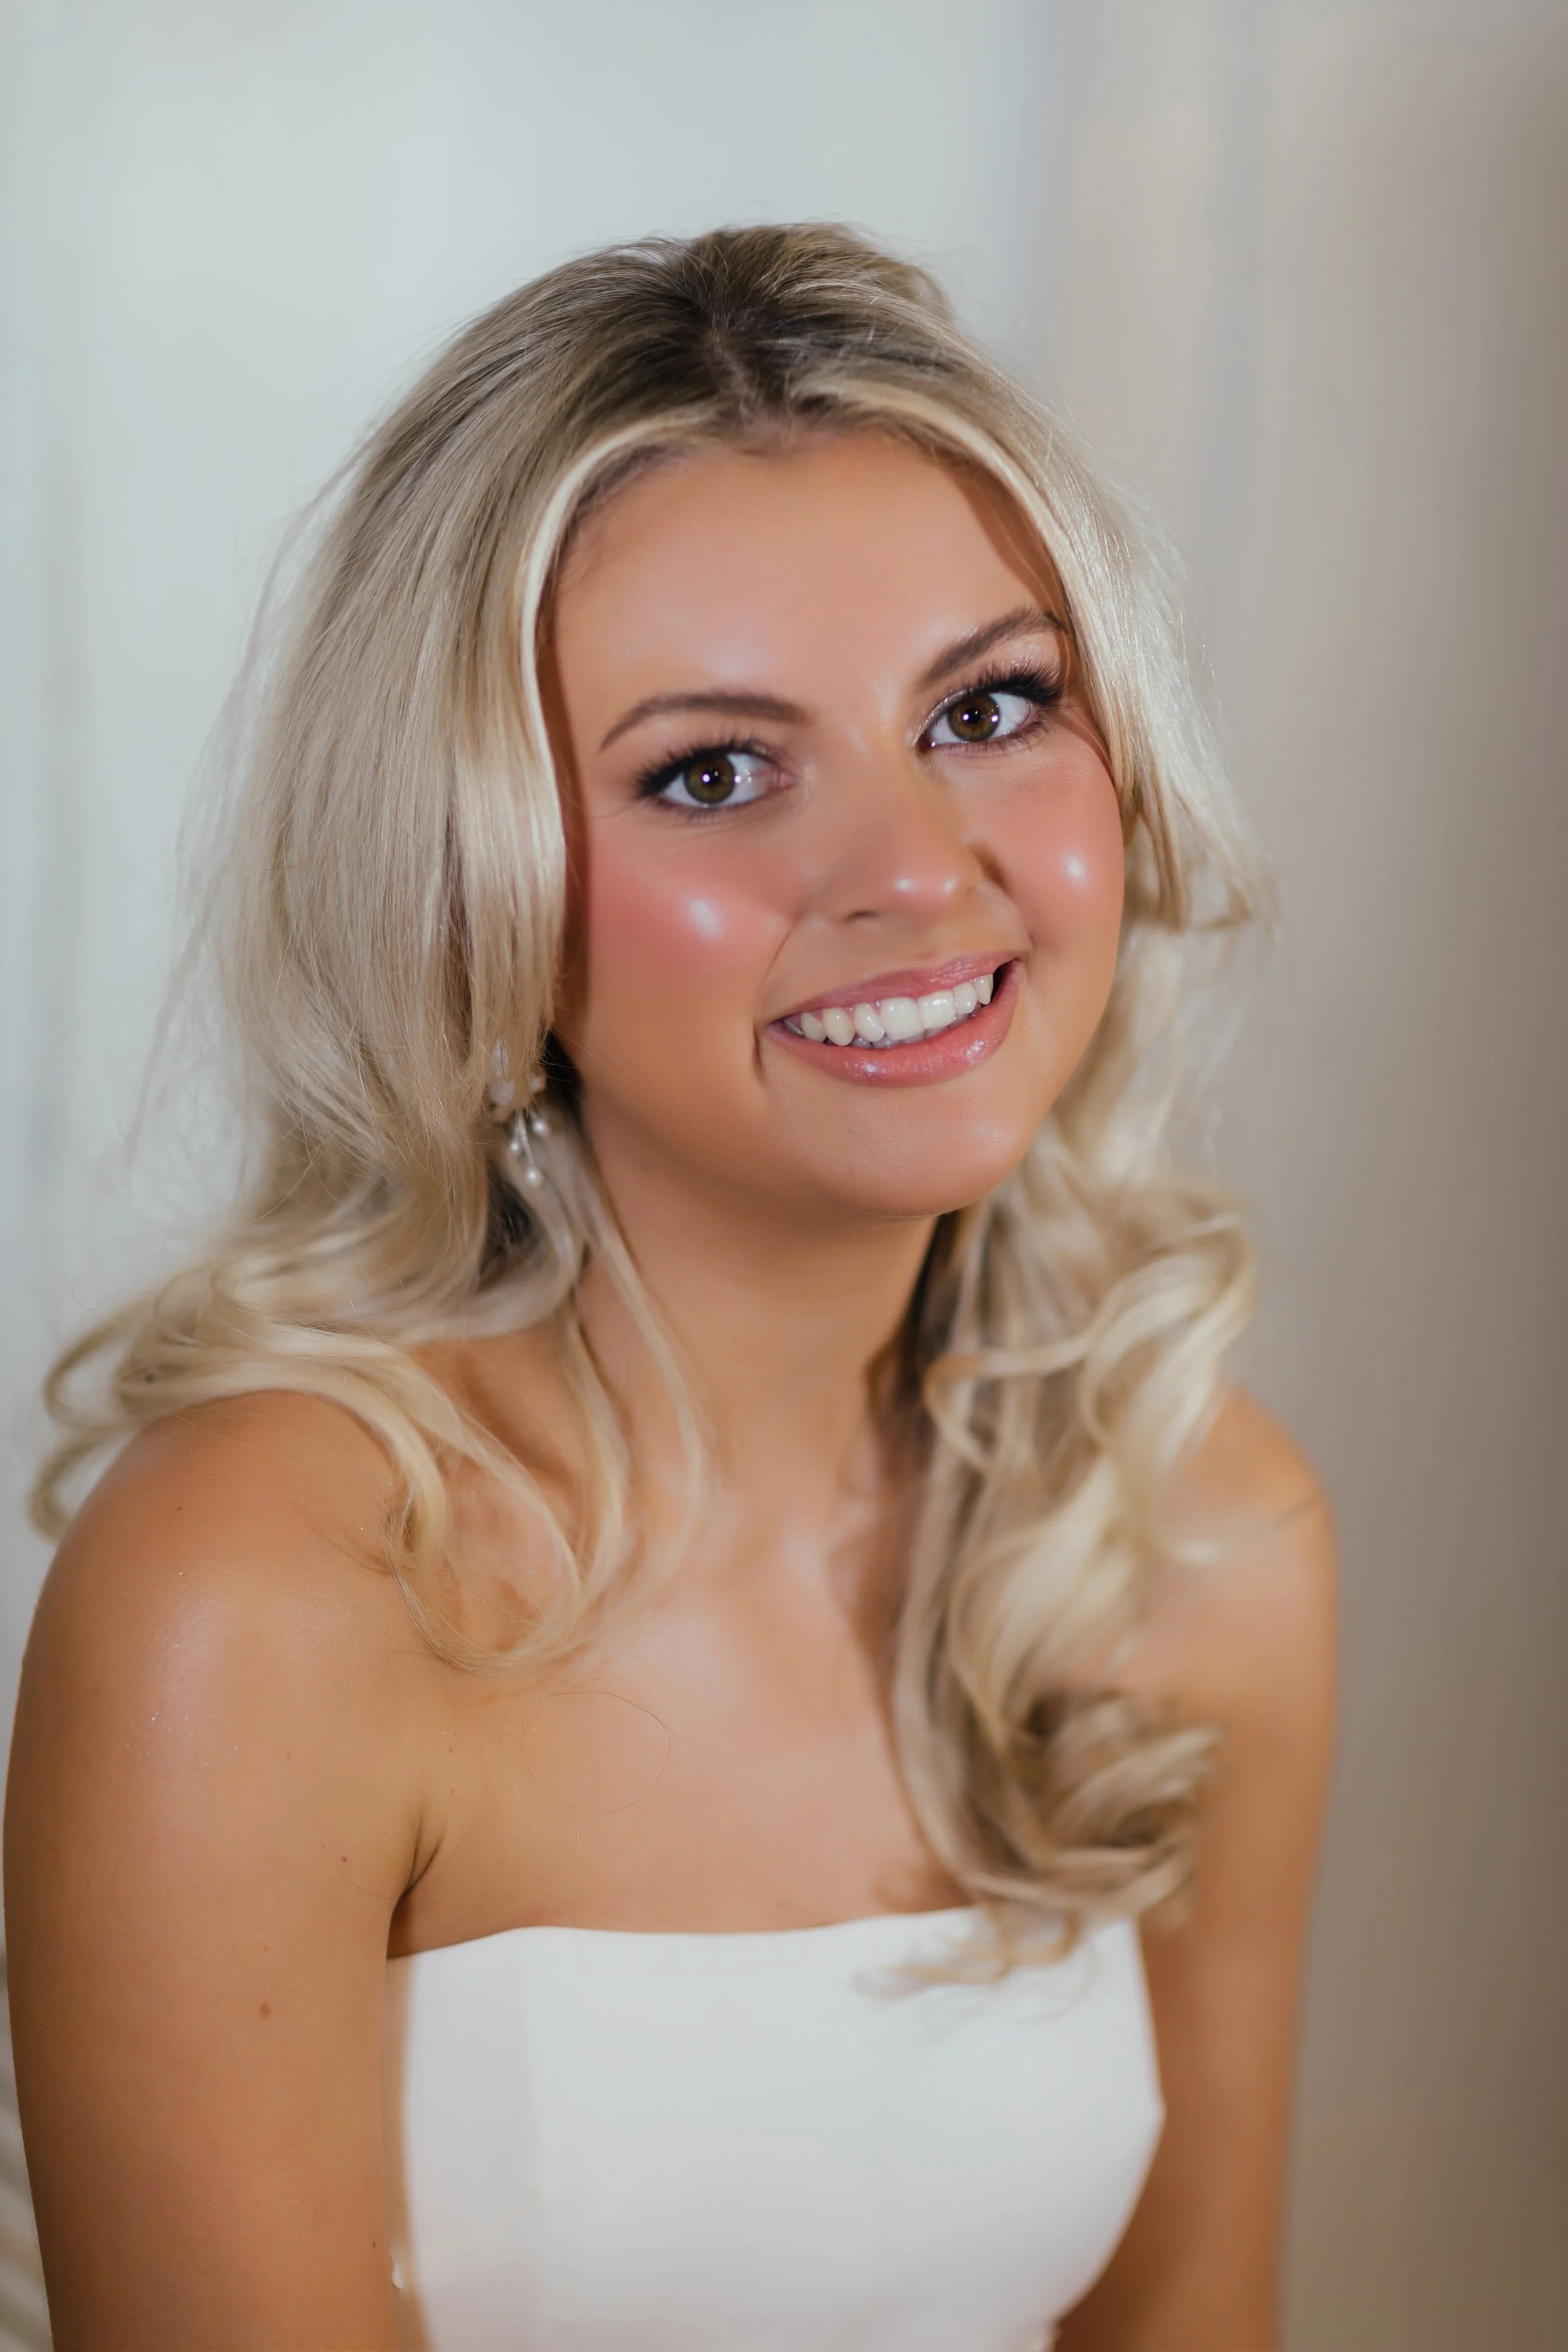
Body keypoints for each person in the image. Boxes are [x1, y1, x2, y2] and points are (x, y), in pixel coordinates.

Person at [4, 224, 1335, 2351]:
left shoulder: (1190, 1535)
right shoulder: (258, 1592)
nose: (915, 870)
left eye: (988, 707)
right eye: (713, 769)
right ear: (476, 898)